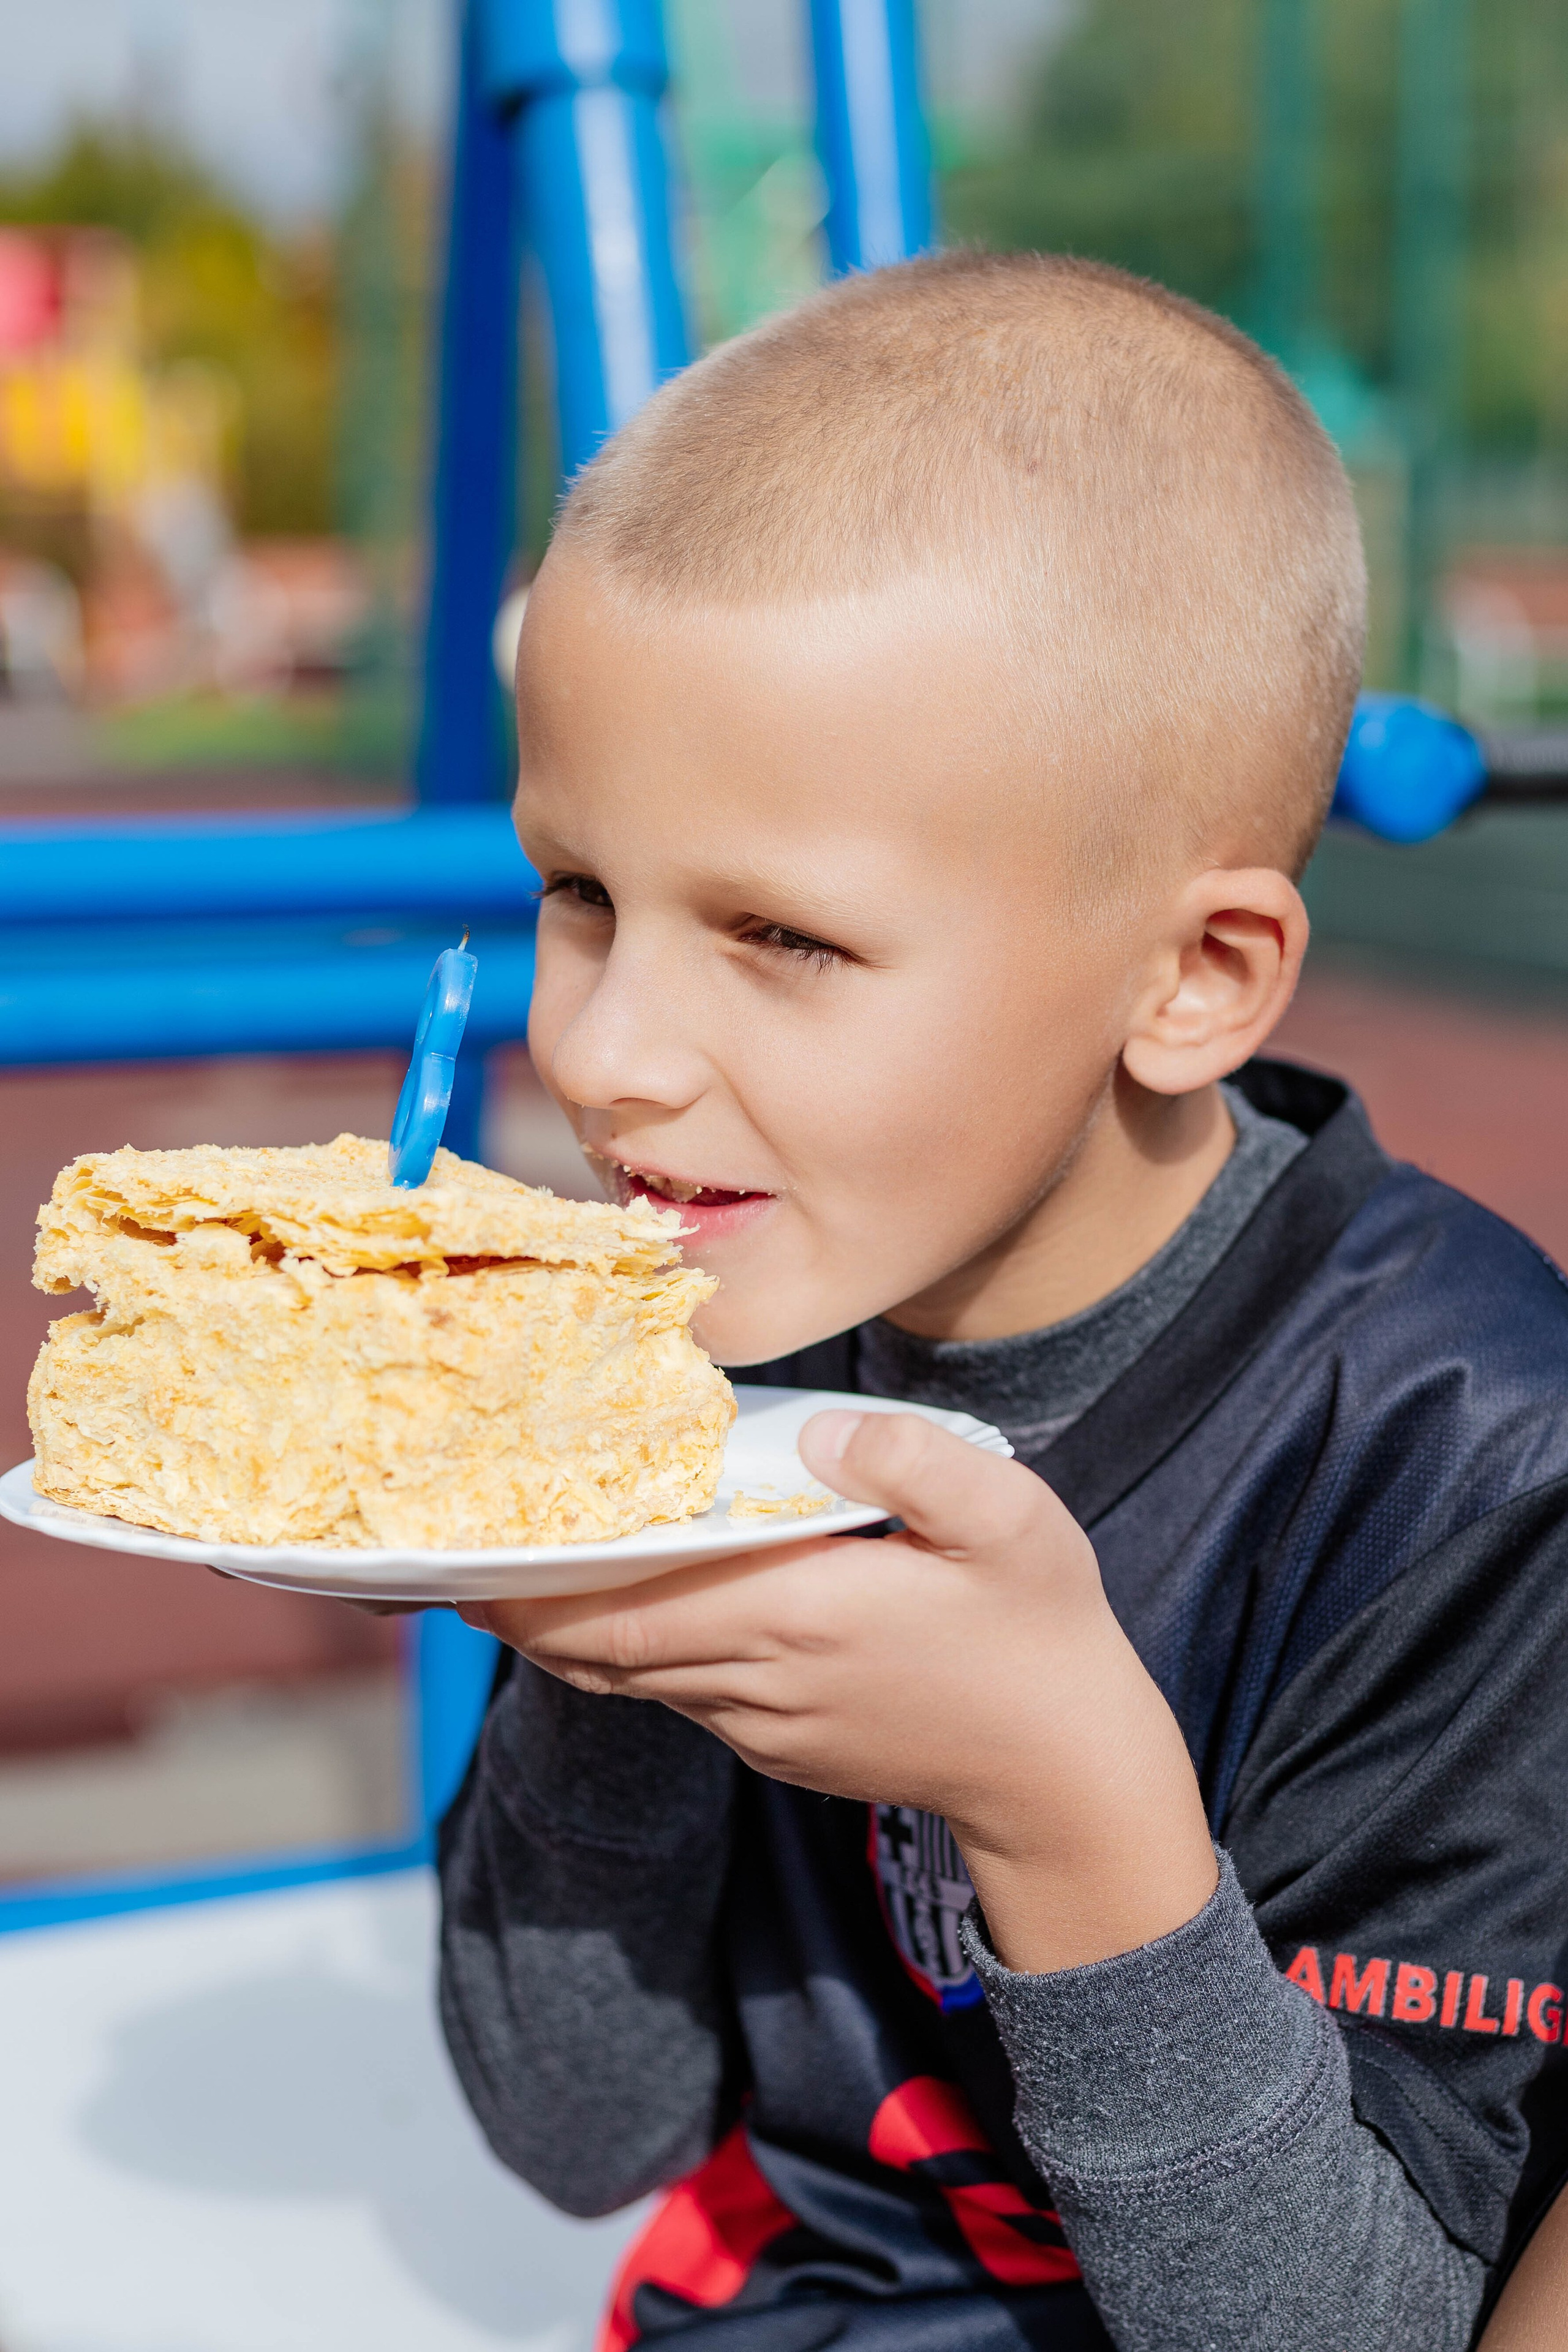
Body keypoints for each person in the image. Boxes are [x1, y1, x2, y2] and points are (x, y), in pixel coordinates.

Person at [436, 251, 1568, 2350]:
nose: (601, 1055)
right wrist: (603, 1667)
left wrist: (1067, 1806)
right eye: (581, 891)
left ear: (1193, 980)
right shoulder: (711, 1321)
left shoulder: (1476, 1469)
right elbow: (578, 2126)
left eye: (780, 934)